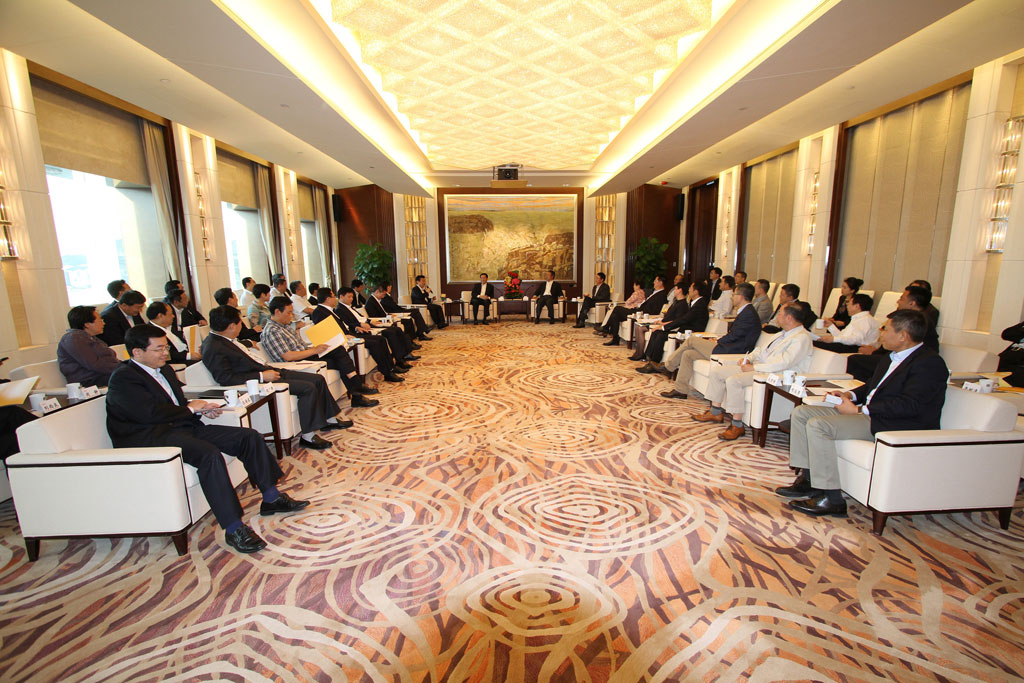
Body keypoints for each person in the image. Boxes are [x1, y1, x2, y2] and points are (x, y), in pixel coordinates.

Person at [106, 324, 309, 554]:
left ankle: (271, 498)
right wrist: (190, 410)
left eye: (166, 347)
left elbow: (175, 403)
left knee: (249, 437)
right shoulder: (123, 378)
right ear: (137, 352)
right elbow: (148, 413)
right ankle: (233, 528)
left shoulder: (164, 370)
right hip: (152, 437)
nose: (165, 353)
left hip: (181, 427)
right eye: (159, 349)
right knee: (209, 454)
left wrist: (200, 409)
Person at [777, 309, 949, 518]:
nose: (881, 333)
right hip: (872, 414)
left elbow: (911, 405)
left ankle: (831, 498)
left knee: (818, 425)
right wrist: (849, 395)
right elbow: (872, 387)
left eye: (886, 329)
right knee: (802, 413)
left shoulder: (929, 363)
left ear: (903, 336)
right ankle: (809, 479)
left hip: (893, 424)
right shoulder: (891, 357)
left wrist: (860, 410)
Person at [202, 305, 352, 450]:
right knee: (308, 388)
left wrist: (248, 344)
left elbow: (236, 354)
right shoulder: (213, 347)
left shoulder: (224, 339)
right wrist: (261, 376)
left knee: (317, 379)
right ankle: (308, 436)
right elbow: (226, 378)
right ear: (231, 326)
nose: (242, 326)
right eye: (240, 322)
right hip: (261, 380)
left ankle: (329, 419)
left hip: (268, 369)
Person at [693, 302, 813, 441]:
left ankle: (737, 425)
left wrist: (754, 368)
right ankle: (715, 412)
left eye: (780, 313)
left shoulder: (801, 338)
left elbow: (783, 363)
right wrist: (748, 359)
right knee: (717, 372)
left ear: (789, 318)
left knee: (734, 380)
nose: (777, 316)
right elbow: (761, 350)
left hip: (775, 375)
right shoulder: (781, 334)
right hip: (760, 368)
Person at [261, 296, 378, 408]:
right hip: (297, 363)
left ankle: (357, 395)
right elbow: (288, 356)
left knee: (338, 352)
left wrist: (316, 347)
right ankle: (357, 388)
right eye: (289, 312)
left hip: (306, 354)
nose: (291, 316)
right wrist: (314, 350)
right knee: (339, 357)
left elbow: (301, 346)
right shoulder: (272, 330)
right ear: (277, 312)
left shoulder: (284, 326)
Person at [661, 282, 762, 398]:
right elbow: (735, 335)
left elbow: (734, 336)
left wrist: (718, 341)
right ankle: (680, 390)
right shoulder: (746, 311)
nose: (732, 297)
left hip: (730, 351)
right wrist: (718, 339)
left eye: (734, 294)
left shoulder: (748, 314)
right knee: (688, 354)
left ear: (741, 296)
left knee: (691, 340)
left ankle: (668, 366)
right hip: (727, 347)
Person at [845, 285, 936, 382]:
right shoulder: (910, 318)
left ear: (912, 303)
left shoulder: (919, 322)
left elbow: (904, 346)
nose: (898, 301)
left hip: (904, 360)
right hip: (892, 355)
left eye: (901, 298)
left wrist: (874, 352)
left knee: (855, 360)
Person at [323, 287, 408, 382]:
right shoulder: (338, 309)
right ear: (341, 297)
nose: (352, 299)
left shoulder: (344, 308)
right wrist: (357, 327)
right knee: (376, 342)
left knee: (381, 339)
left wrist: (360, 325)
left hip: (357, 330)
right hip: (352, 335)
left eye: (352, 297)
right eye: (349, 297)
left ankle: (391, 367)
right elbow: (345, 325)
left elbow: (353, 321)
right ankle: (387, 372)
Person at [635, 281, 710, 369]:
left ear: (696, 291)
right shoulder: (695, 303)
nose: (689, 290)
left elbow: (683, 319)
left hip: (690, 333)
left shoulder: (699, 305)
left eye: (691, 288)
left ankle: (654, 363)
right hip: (683, 330)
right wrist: (663, 326)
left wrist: (664, 327)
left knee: (660, 335)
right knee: (657, 332)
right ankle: (650, 360)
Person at [57, 305, 120, 386]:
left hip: (103, 375)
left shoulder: (90, 337)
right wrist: (121, 368)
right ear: (87, 324)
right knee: (129, 376)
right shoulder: (74, 338)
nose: (103, 323)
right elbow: (95, 365)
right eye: (100, 320)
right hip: (89, 380)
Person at [602, 275, 668, 346]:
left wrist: (642, 313)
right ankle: (615, 338)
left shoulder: (662, 295)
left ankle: (606, 328)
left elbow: (655, 310)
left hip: (641, 313)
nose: (653, 282)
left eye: (655, 281)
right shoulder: (654, 292)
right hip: (637, 310)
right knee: (615, 316)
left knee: (617, 309)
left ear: (660, 282)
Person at [813, 293, 877, 352]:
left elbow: (857, 340)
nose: (847, 306)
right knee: (812, 342)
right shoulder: (858, 319)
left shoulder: (865, 320)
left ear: (857, 306)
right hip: (847, 345)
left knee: (812, 343)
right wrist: (830, 326)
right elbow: (842, 336)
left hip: (854, 348)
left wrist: (834, 339)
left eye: (849, 304)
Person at [998, 319, 1024, 387]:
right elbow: (1005, 335)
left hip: (1019, 361)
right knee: (988, 366)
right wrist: (1022, 327)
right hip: (1009, 355)